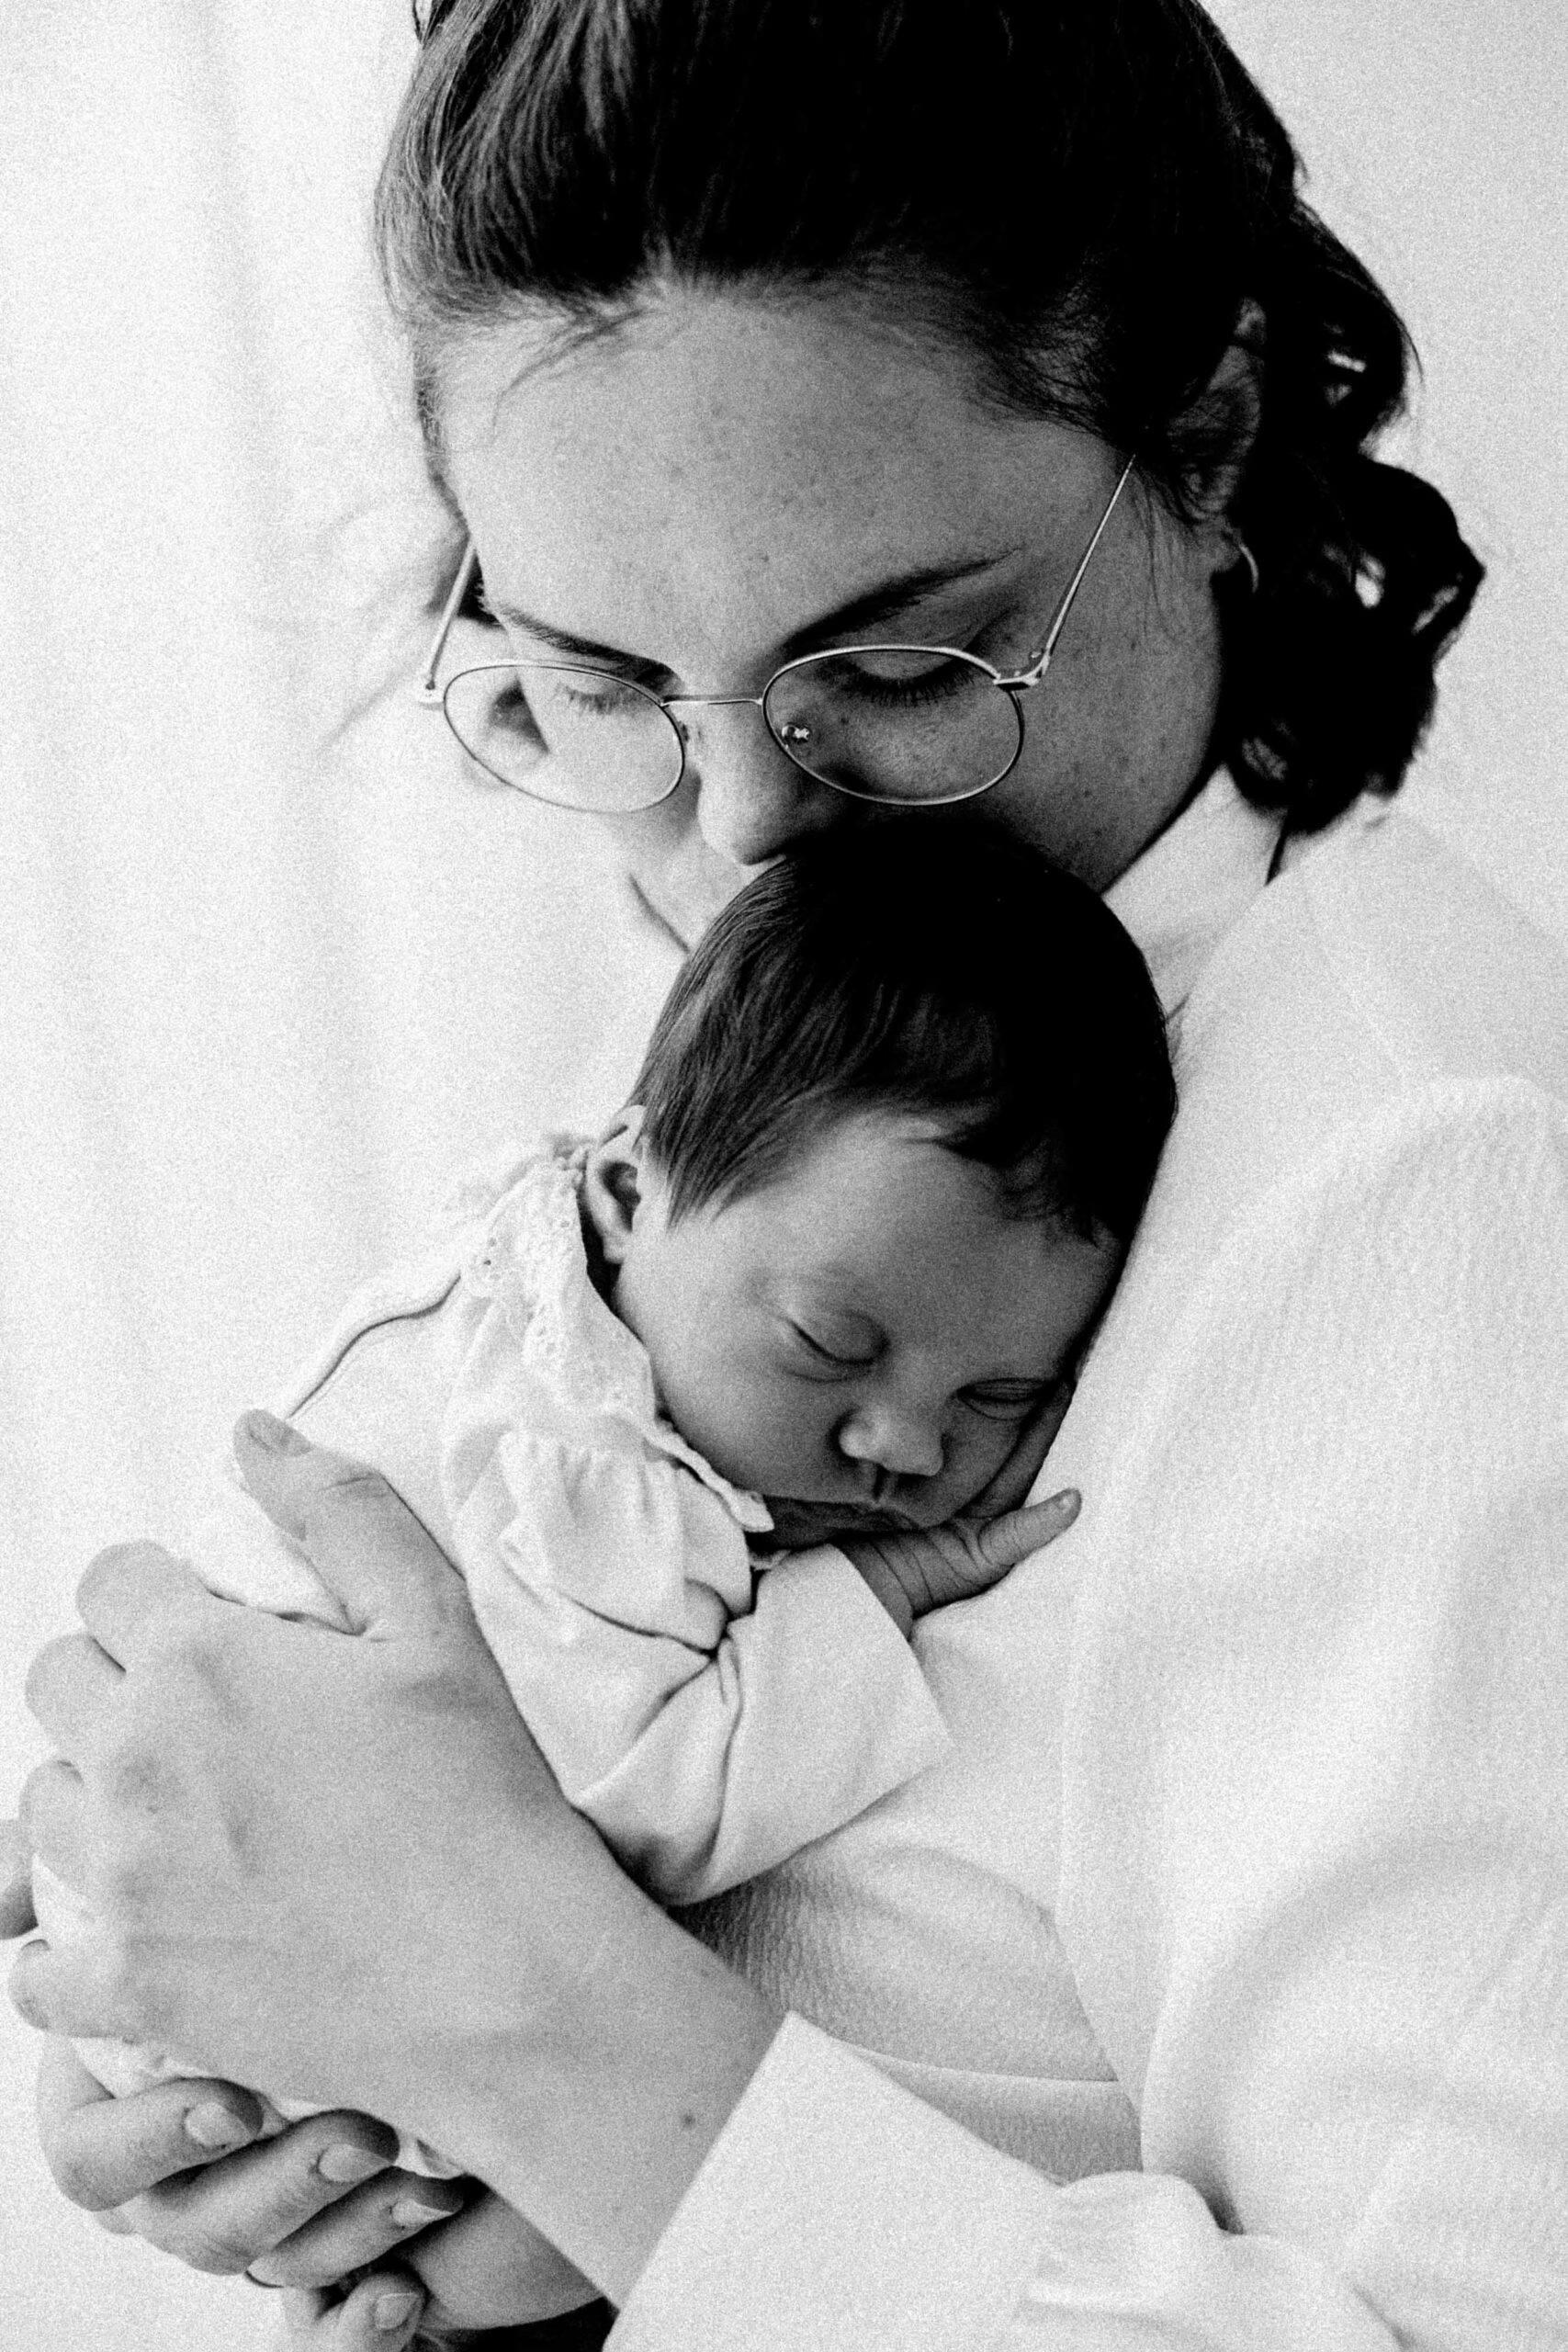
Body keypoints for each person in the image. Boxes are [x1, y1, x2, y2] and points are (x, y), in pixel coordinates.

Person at [8, 1, 1568, 2347]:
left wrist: (508, 2023)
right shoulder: (775, 1008)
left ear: (1206, 433)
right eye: (600, 680)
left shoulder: (1434, 1205)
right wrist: (215, 1972)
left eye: (906, 662)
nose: (743, 828)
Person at [33, 825, 1166, 2157]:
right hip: (249, 2001)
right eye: (830, 1344)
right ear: (629, 1188)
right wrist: (874, 1597)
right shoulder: (594, 1476)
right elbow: (633, 1814)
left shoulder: (556, 1261)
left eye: (1000, 1399)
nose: (908, 1447)